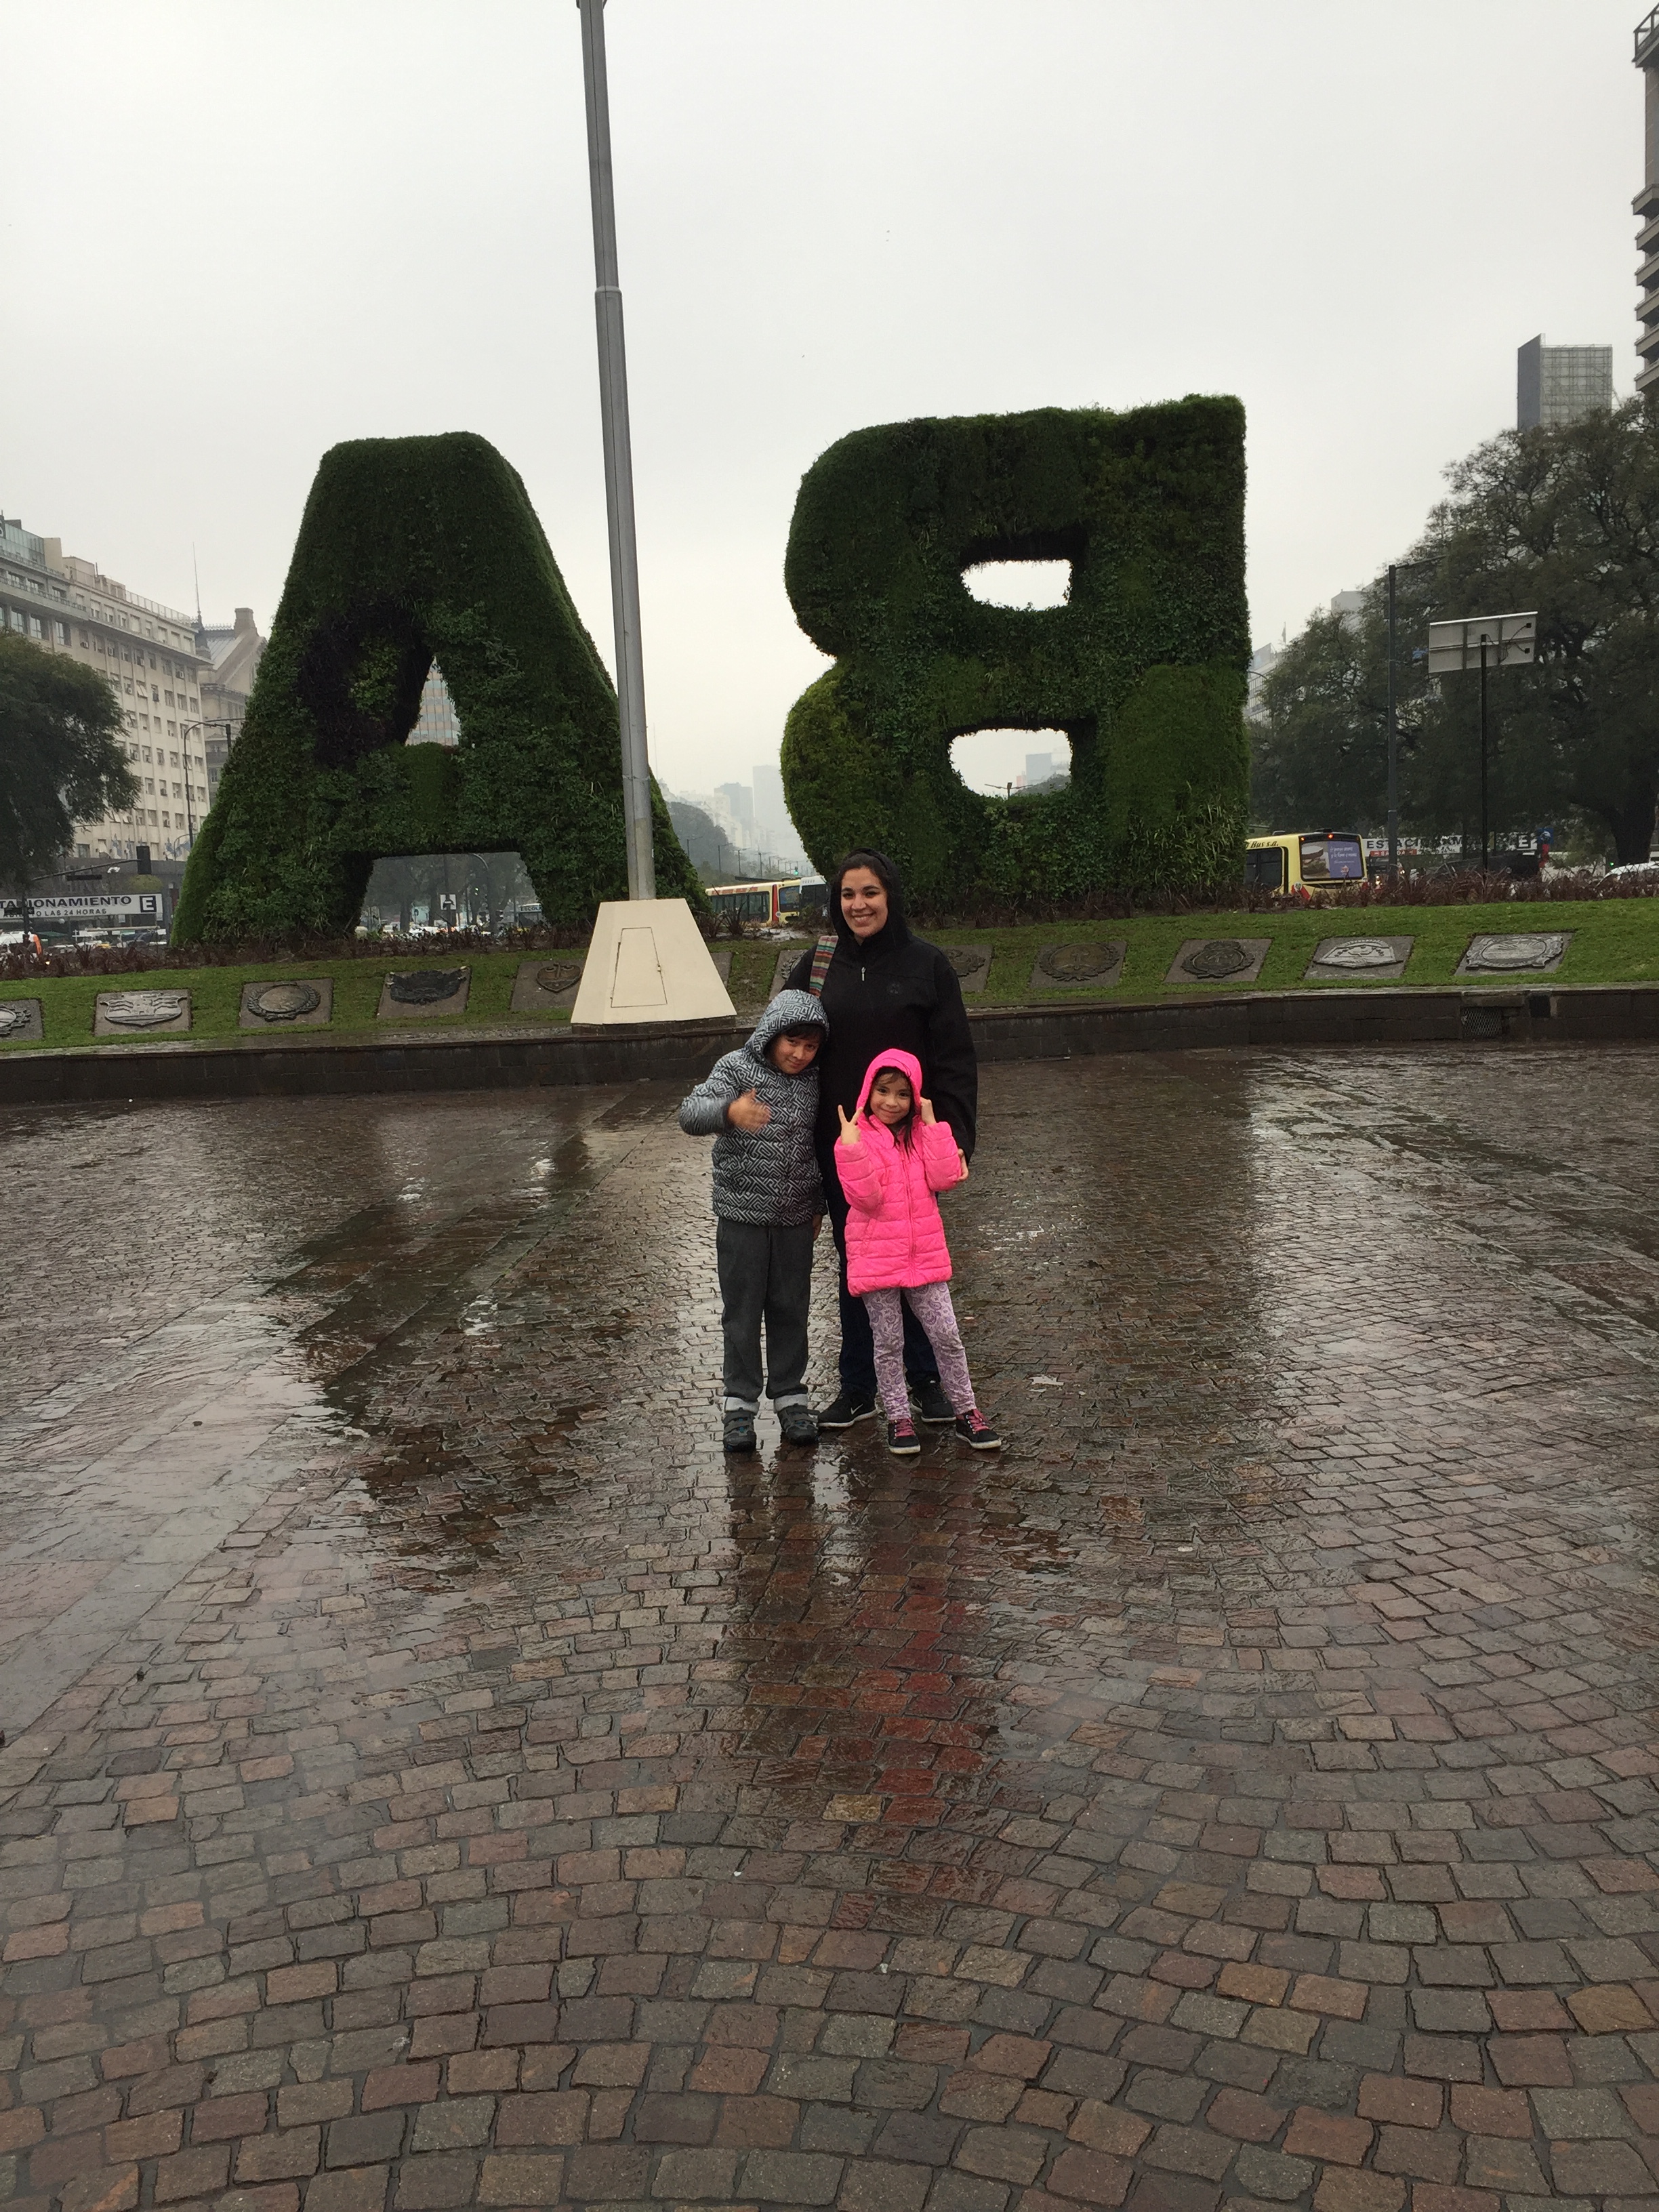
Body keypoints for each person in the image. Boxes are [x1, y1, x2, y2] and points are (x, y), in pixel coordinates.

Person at [785, 849, 977, 1431]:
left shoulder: (927, 965)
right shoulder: (818, 966)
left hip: (910, 1148)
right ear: (835, 901)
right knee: (859, 1264)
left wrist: (958, 1133)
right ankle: (859, 1385)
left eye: (869, 893)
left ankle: (924, 1380)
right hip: (843, 1146)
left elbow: (954, 1059)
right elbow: (782, 1043)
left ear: (889, 897)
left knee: (915, 1261)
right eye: (847, 895)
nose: (858, 905)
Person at [678, 989, 829, 1453]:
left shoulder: (816, 1080)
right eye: (792, 1043)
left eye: (810, 1046)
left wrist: (818, 1206)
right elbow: (689, 1114)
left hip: (795, 1220)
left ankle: (789, 1395)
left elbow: (822, 1148)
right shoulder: (735, 1068)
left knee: (791, 1308)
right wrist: (729, 1112)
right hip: (741, 1219)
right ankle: (739, 1405)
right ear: (771, 1034)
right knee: (741, 1314)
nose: (800, 1054)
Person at [834, 1049, 1001, 1458]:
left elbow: (943, 1178)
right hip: (877, 1259)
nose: (891, 1102)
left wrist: (933, 1125)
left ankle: (967, 1411)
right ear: (868, 1091)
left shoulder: (920, 1134)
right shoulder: (854, 1139)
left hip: (923, 1256)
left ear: (916, 1097)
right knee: (888, 1342)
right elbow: (866, 1198)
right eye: (883, 1091)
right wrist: (851, 1148)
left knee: (947, 1336)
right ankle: (898, 1416)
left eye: (903, 1094)